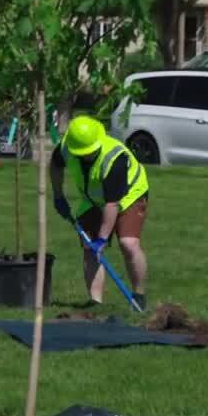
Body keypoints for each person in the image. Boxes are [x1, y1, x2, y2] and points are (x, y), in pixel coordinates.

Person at [50, 115, 150, 309]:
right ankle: (95, 303)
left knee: (128, 244)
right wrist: (58, 196)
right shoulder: (67, 147)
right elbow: (55, 166)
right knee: (90, 249)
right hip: (93, 199)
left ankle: (139, 295)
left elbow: (112, 204)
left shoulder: (115, 158)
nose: (86, 155)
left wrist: (102, 239)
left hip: (129, 195)